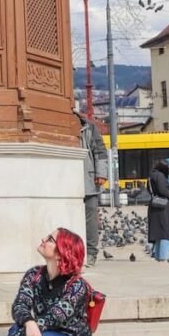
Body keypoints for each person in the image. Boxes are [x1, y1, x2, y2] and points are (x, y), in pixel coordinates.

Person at [75, 111, 108, 267]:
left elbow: (100, 151)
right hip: (67, 178)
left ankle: (91, 253)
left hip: (88, 179)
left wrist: (101, 173)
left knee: (90, 219)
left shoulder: (88, 126)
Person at [147, 160, 169, 262]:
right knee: (165, 232)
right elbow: (162, 190)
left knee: (158, 233)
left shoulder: (151, 175)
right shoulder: (160, 176)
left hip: (154, 205)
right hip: (163, 207)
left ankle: (158, 258)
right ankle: (163, 257)